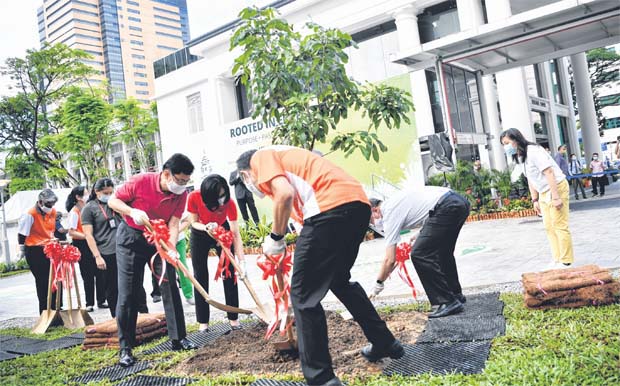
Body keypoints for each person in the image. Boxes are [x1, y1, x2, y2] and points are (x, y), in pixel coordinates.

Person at [236, 147, 403, 386]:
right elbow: (307, 227)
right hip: (357, 207)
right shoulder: (294, 164)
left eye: (246, 179)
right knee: (339, 281)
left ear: (246, 173)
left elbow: (284, 194)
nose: (251, 184)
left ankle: (321, 379)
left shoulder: (260, 157)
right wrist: (282, 243)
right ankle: (385, 342)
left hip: (329, 208)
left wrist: (274, 238)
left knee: (303, 297)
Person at [108, 153, 197, 368]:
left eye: (186, 182)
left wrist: (172, 249)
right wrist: (132, 211)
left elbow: (174, 223)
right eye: (180, 180)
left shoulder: (181, 194)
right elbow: (113, 200)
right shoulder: (141, 181)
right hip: (131, 237)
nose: (183, 185)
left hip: (159, 240)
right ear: (167, 174)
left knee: (169, 286)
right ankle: (126, 348)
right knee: (128, 292)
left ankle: (178, 338)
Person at [368, 187, 470, 318]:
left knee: (419, 254)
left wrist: (378, 284)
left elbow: (389, 259)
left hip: (447, 207)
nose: (373, 225)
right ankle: (455, 295)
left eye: (371, 221)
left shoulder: (388, 213)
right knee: (442, 252)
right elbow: (428, 210)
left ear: (375, 210)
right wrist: (422, 233)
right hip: (459, 202)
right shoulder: (394, 203)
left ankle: (446, 301)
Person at [501, 128, 573, 267]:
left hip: (556, 187)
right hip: (543, 192)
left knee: (559, 225)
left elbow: (549, 172)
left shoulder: (533, 151)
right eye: (503, 144)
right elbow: (530, 179)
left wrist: (556, 197)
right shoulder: (520, 156)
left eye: (507, 143)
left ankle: (566, 261)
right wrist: (535, 200)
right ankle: (557, 258)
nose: (506, 147)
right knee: (549, 227)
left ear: (516, 140)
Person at [82, 178, 149, 318]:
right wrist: (97, 256)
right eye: (105, 192)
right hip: (106, 252)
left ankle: (144, 315)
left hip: (126, 248)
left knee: (136, 283)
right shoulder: (89, 208)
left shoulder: (118, 204)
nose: (109, 195)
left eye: (111, 192)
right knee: (113, 287)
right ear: (96, 192)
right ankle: (117, 317)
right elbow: (88, 235)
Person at [187, 174, 246, 331]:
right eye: (217, 197)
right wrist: (206, 227)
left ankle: (233, 318)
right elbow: (193, 222)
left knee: (229, 272)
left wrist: (242, 261)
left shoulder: (229, 203)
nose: (221, 200)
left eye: (223, 195)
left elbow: (235, 233)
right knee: (200, 275)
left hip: (222, 230)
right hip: (201, 232)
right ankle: (203, 322)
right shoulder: (194, 196)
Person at [17, 189, 62, 314]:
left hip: (49, 247)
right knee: (43, 281)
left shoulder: (52, 211)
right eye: (48, 204)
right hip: (35, 250)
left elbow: (50, 229)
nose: (51, 207)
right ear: (40, 202)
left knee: (56, 278)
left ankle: (57, 307)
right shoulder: (30, 214)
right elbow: (22, 233)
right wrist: (21, 249)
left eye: (52, 204)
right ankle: (45, 310)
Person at [67, 186, 106, 312]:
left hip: (93, 242)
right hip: (82, 245)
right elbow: (71, 232)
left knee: (100, 272)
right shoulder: (74, 212)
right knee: (87, 274)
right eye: (85, 194)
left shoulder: (88, 208)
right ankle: (89, 303)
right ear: (78, 197)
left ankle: (102, 300)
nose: (88, 195)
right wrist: (86, 236)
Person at [176, 212, 194, 306]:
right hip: (160, 241)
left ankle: (188, 294)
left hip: (178, 240)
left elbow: (187, 220)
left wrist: (175, 231)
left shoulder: (177, 199)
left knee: (182, 267)